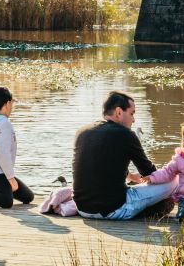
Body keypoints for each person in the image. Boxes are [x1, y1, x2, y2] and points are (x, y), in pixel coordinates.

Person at [71, 90, 176, 219]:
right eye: (131, 114)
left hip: (83, 209)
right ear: (119, 112)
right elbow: (149, 172)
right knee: (175, 180)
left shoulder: (82, 132)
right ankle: (147, 210)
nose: (134, 120)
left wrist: (130, 176)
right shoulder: (126, 134)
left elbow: (99, 164)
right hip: (114, 210)